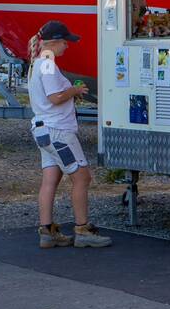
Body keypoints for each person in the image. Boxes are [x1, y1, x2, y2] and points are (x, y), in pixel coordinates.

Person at [27, 20, 111, 249]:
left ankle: (47, 230)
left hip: (43, 129)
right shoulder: (48, 65)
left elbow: (49, 97)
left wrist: (70, 93)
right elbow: (55, 97)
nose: (67, 46)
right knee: (82, 177)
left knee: (50, 180)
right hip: (58, 131)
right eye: (65, 42)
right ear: (54, 42)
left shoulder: (37, 64)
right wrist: (74, 90)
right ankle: (82, 229)